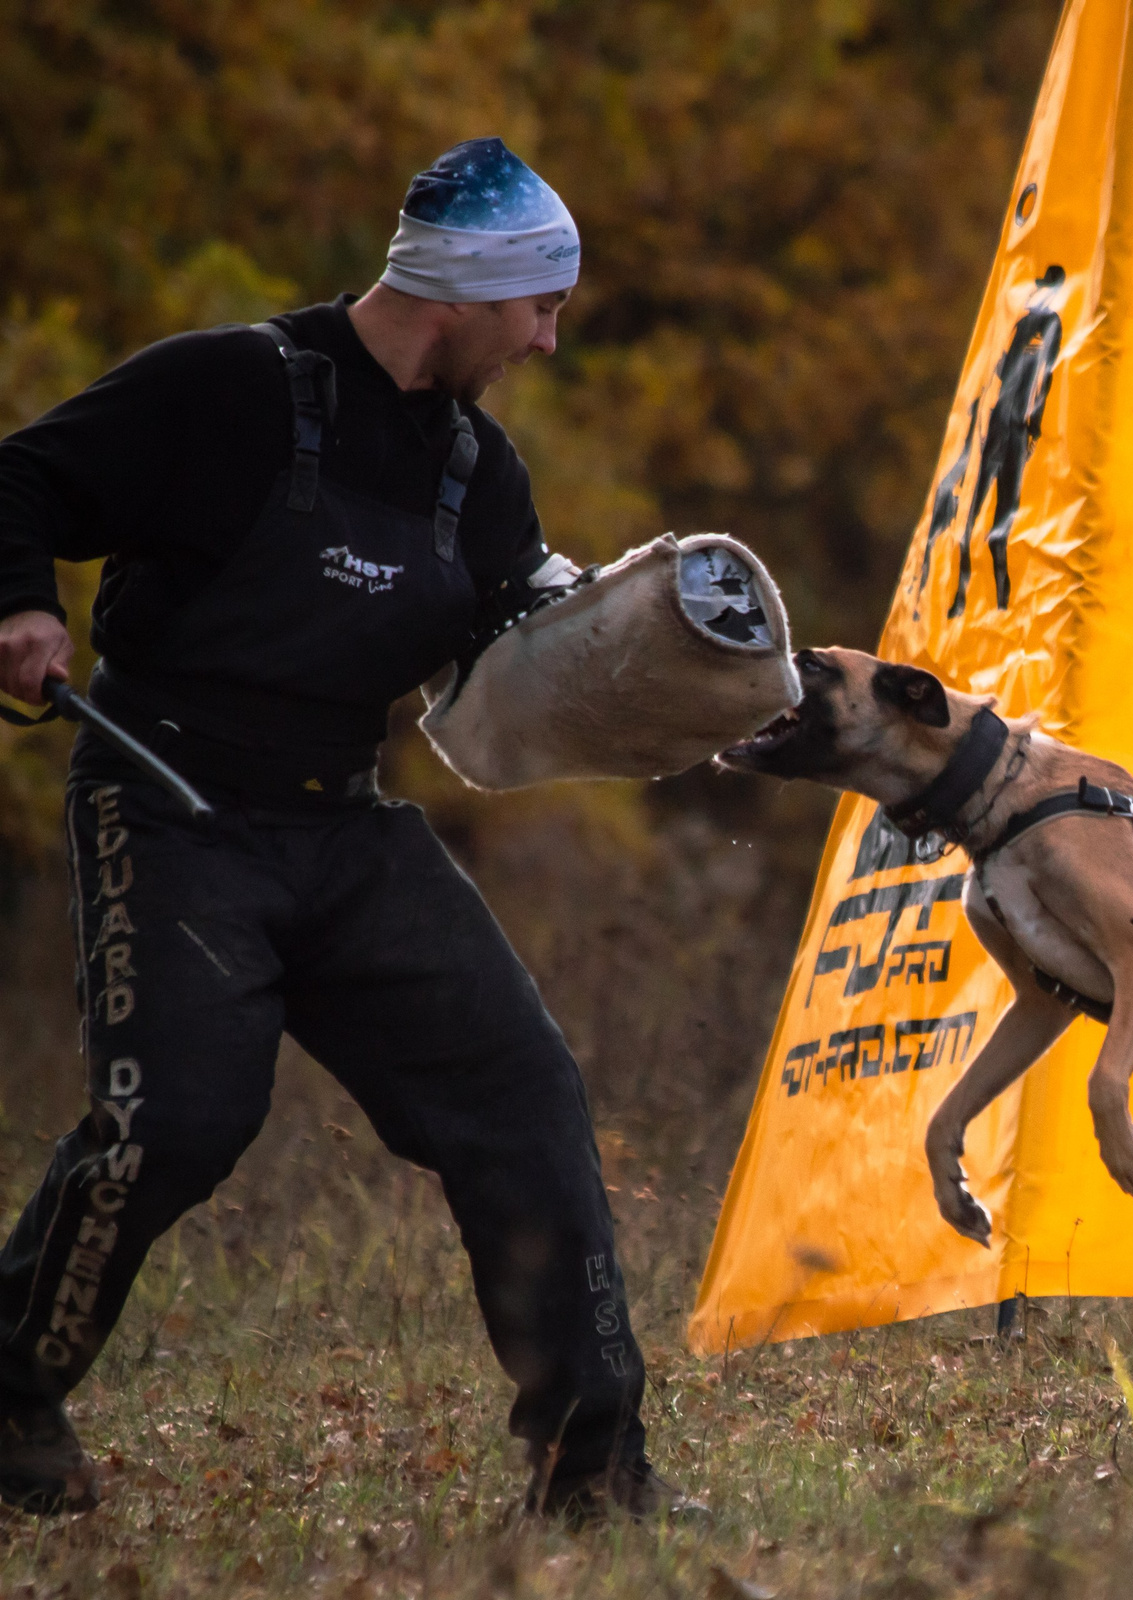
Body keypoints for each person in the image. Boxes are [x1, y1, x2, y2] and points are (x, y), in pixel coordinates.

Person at [0, 138, 696, 1520]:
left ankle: (592, 1476)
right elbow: (18, 481)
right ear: (463, 292)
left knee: (523, 1094)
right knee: (177, 1122)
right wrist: (22, 602)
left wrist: (678, 669)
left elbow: (532, 642)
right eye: (538, 308)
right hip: (170, 800)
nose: (547, 342)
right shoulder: (225, 389)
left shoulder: (478, 471)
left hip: (345, 820)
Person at [952, 265, 1065, 618]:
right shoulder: (1025, 323)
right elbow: (1002, 370)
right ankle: (962, 597)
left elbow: (1045, 379)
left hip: (1017, 430)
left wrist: (1034, 427)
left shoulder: (1051, 325)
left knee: (1002, 523)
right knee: (973, 515)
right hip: (999, 423)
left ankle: (1003, 605)